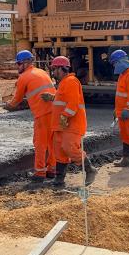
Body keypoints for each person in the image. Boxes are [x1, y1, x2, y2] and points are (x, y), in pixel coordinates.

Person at [4, 50, 56, 182]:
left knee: (39, 143)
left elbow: (16, 100)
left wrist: (8, 105)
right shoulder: (42, 72)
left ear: (26, 63)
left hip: (42, 113)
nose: (17, 67)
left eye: (18, 64)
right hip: (54, 110)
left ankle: (40, 173)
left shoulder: (24, 77)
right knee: (51, 142)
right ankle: (52, 169)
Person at [49, 55, 96, 187]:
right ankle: (59, 180)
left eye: (55, 69)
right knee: (60, 152)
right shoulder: (64, 83)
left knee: (69, 148)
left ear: (62, 69)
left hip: (71, 124)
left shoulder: (71, 81)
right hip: (61, 125)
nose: (53, 72)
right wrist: (52, 97)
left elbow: (73, 103)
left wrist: (65, 116)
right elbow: (64, 100)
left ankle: (90, 169)